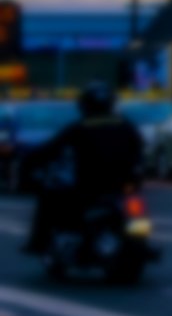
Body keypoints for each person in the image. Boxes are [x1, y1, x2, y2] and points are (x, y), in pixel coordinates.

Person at [19, 83, 146, 263]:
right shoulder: (127, 126)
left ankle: (39, 241)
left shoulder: (80, 128)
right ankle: (139, 240)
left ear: (85, 105)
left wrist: (28, 165)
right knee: (137, 209)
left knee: (48, 199)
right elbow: (140, 152)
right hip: (124, 186)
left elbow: (48, 150)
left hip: (89, 187)